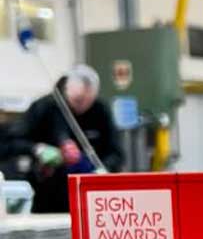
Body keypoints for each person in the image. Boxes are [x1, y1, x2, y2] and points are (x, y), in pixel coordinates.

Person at [4, 65, 124, 212]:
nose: (83, 106)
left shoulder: (101, 111)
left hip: (89, 198)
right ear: (67, 90)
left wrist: (103, 170)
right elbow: (10, 143)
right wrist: (36, 149)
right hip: (47, 196)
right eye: (78, 100)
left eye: (88, 101)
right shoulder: (44, 107)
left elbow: (117, 153)